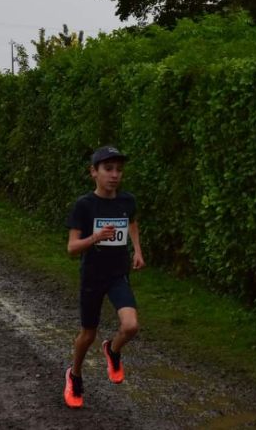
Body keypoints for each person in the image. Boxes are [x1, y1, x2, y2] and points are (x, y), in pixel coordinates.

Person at [63, 145, 145, 408]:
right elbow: (72, 248)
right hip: (93, 276)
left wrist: (137, 250)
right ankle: (75, 375)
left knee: (131, 326)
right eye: (108, 169)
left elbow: (131, 222)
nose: (114, 175)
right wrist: (95, 237)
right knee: (88, 335)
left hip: (118, 274)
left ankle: (113, 349)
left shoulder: (127, 201)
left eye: (119, 170)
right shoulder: (84, 205)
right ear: (93, 172)